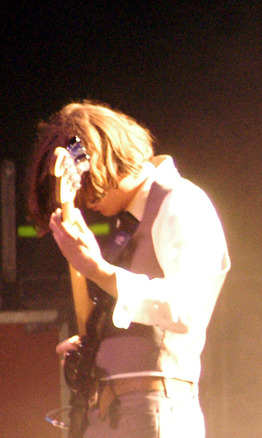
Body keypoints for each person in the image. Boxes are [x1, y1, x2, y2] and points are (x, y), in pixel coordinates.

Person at [27, 101, 230, 437]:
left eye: (86, 183)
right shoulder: (128, 223)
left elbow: (186, 309)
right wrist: (95, 345)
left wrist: (98, 270)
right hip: (109, 415)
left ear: (102, 157)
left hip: (155, 411)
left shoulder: (180, 201)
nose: (82, 199)